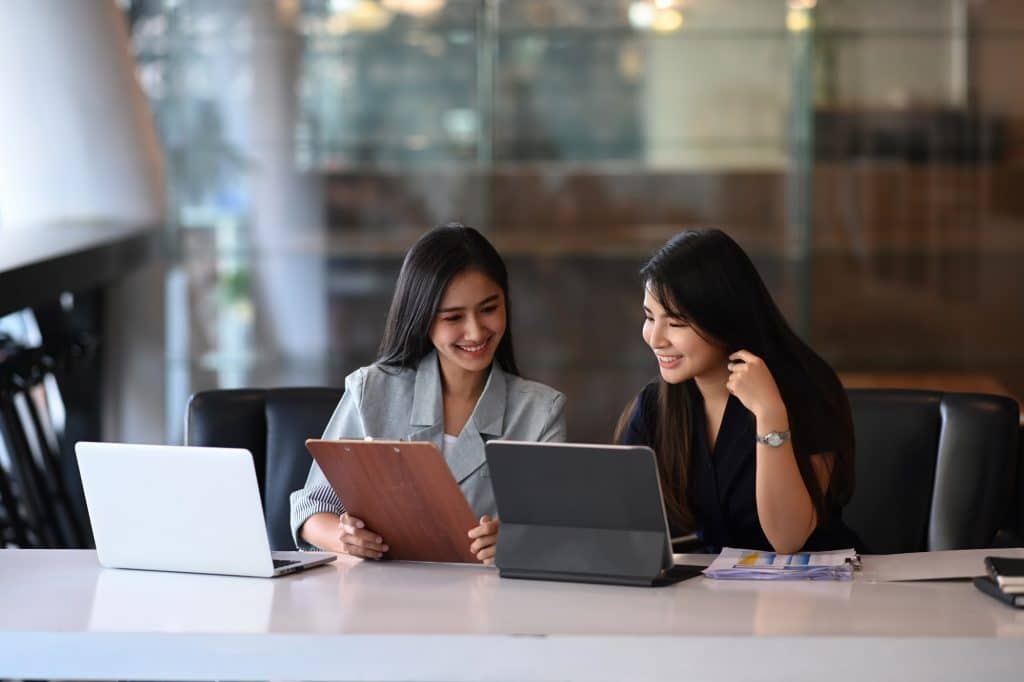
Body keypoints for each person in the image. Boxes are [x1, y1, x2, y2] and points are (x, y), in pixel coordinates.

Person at [290, 223, 566, 563]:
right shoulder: (372, 390)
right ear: (422, 318)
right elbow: (312, 509)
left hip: (487, 606)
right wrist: (345, 538)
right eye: (453, 317)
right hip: (382, 603)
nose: (476, 331)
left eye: (489, 309)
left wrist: (516, 542)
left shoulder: (540, 411)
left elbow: (557, 531)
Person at [616, 229, 861, 554]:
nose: (656, 338)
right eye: (650, 317)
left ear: (722, 317)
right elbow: (621, 524)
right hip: (707, 594)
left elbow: (788, 539)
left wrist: (770, 413)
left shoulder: (805, 390)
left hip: (816, 591)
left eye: (675, 323)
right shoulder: (655, 407)